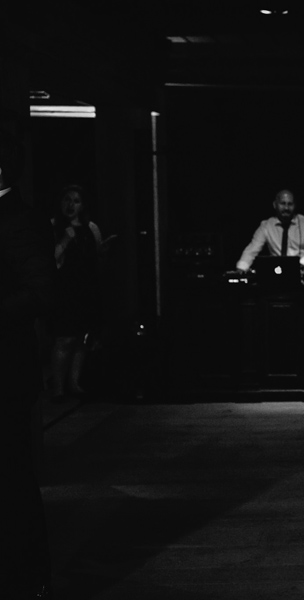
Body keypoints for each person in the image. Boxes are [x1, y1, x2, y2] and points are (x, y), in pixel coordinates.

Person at [0, 130, 55, 598]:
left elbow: (40, 293)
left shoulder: (17, 220)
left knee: (13, 476)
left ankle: (28, 578)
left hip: (6, 372)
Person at [48, 184, 113, 401]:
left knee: (82, 340)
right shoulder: (55, 227)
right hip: (66, 291)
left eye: (76, 201)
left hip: (87, 290)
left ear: (83, 205)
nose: (70, 205)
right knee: (64, 338)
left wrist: (102, 251)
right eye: (67, 199)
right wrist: (66, 240)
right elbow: (51, 260)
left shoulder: (91, 228)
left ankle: (74, 383)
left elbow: (96, 259)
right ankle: (57, 387)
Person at [235, 189, 304, 271]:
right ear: (275, 205)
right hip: (277, 272)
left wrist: (294, 266)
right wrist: (241, 268)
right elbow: (252, 250)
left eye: (290, 204)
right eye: (283, 203)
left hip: (302, 271)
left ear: (295, 205)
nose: (286, 208)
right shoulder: (266, 225)